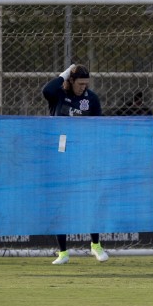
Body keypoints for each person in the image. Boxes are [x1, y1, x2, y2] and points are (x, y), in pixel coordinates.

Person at [41, 63, 109, 265]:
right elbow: (46, 90)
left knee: (90, 200)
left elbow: (99, 127)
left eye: (86, 84)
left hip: (84, 158)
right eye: (80, 83)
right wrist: (65, 73)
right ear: (70, 81)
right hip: (60, 157)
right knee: (60, 204)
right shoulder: (58, 95)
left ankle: (95, 245)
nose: (83, 87)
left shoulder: (91, 99)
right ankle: (63, 252)